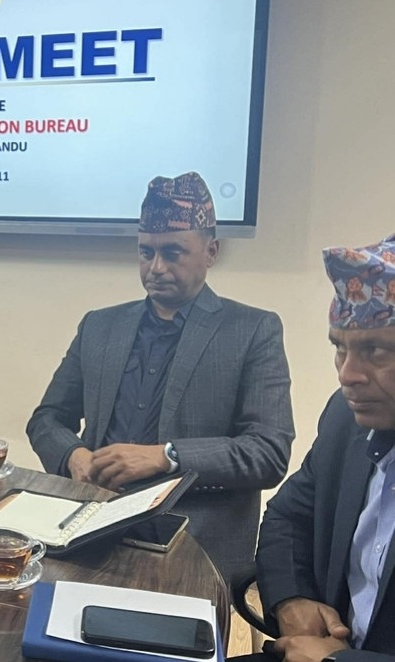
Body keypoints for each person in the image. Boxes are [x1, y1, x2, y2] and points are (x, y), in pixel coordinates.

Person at [26, 172, 294, 583]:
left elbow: (268, 453)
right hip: (91, 524)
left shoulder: (251, 330)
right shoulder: (100, 326)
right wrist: (73, 456)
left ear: (211, 252)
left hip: (192, 539)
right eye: (145, 252)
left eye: (172, 252)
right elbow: (47, 419)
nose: (156, 267)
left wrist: (167, 455)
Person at [254, 237, 395, 662]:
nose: (347, 375)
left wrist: (338, 661)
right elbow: (287, 517)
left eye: (375, 350)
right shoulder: (344, 419)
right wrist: (292, 598)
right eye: (340, 347)